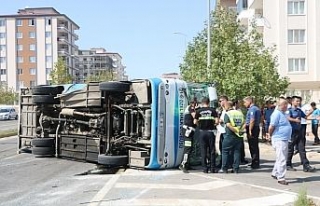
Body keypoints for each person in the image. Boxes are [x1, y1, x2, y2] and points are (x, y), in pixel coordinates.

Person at [286, 96, 314, 172]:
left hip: (299, 131)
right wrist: (295, 120)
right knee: (290, 149)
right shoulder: (289, 110)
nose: (298, 102)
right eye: (297, 101)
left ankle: (306, 165)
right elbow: (287, 118)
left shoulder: (299, 110)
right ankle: (288, 164)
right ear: (292, 101)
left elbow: (305, 117)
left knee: (302, 148)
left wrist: (312, 114)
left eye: (299, 101)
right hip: (292, 132)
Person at [267, 98, 291, 185]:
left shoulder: (283, 113)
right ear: (280, 105)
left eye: (286, 104)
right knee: (282, 159)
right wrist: (269, 135)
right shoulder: (276, 114)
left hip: (284, 138)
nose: (286, 106)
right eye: (285, 104)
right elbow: (271, 126)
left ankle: (275, 172)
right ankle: (281, 178)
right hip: (279, 139)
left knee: (280, 157)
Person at [194, 97, 219, 173]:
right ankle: (212, 168)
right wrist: (213, 124)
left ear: (202, 103)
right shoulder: (213, 110)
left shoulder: (198, 111)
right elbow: (217, 121)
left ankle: (205, 169)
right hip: (210, 132)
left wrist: (200, 125)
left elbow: (195, 122)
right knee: (211, 151)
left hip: (202, 132)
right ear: (208, 102)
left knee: (203, 151)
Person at [219, 101, 245, 174]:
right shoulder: (240, 113)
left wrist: (235, 130)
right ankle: (236, 169)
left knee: (225, 151)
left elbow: (228, 125)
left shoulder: (227, 114)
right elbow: (244, 123)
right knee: (237, 152)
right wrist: (240, 130)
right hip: (239, 136)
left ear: (227, 106)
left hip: (229, 135)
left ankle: (224, 168)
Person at [179, 98, 197, 173]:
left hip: (190, 131)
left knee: (190, 148)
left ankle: (187, 164)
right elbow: (195, 116)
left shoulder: (190, 108)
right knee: (187, 148)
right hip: (188, 131)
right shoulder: (191, 108)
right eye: (196, 103)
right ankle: (183, 165)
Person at [243, 96, 261, 169]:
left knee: (253, 146)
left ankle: (255, 163)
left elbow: (252, 120)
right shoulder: (255, 108)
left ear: (249, 101)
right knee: (253, 146)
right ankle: (254, 162)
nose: (244, 104)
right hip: (254, 127)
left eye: (245, 102)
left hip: (253, 128)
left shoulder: (253, 109)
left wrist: (250, 130)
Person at [233, 99, 248, 164]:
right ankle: (239, 159)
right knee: (238, 146)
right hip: (237, 129)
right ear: (236, 104)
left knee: (240, 145)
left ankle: (241, 158)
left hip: (238, 129)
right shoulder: (236, 111)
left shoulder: (238, 111)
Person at [217, 95, 228, 168]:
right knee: (221, 149)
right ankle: (222, 163)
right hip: (222, 132)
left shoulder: (228, 110)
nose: (220, 103)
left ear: (225, 101)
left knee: (225, 150)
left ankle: (225, 165)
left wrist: (220, 120)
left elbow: (226, 120)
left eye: (221, 101)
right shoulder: (222, 110)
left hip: (226, 132)